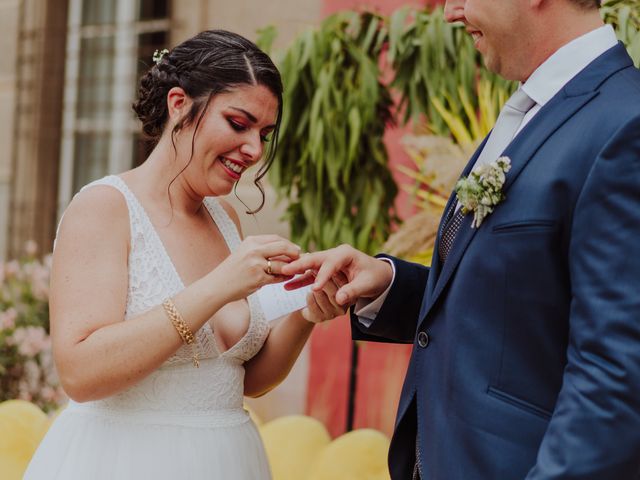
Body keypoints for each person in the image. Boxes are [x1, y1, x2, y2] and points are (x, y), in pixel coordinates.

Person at [283, 0, 640, 478]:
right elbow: (522, 302)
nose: (450, 12)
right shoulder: (536, 109)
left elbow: (616, 373)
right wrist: (389, 284)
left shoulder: (624, 125)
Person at [24, 30, 345, 480]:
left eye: (264, 133)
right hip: (127, 462)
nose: (254, 150)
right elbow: (80, 373)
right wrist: (217, 286)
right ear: (179, 104)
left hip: (229, 459)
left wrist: (306, 311)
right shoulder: (104, 208)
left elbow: (243, 381)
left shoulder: (224, 217)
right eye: (238, 123)